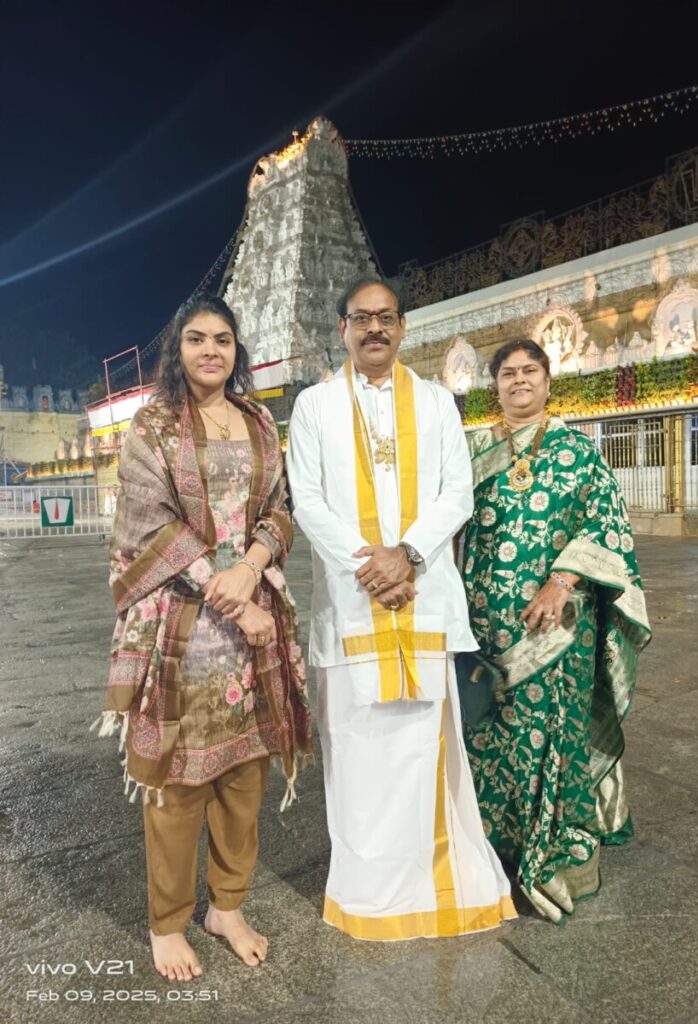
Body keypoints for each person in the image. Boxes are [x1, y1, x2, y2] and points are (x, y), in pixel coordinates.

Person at [286, 277, 515, 940]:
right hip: (354, 607)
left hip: (419, 600)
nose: (374, 329)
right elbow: (307, 501)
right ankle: (363, 890)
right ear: (343, 329)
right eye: (361, 318)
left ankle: (436, 884)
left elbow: (457, 494)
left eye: (385, 318)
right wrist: (372, 565)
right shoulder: (314, 407)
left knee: (422, 749)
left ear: (403, 327)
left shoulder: (438, 402)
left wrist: (405, 555)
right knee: (356, 752)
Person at [93, 295, 311, 978]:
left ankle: (227, 905)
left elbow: (280, 507)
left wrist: (250, 569)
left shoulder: (258, 422)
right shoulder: (151, 426)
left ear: (236, 349)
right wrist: (226, 589)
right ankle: (166, 922)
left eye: (221, 339)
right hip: (181, 626)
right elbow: (145, 524)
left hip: (251, 623)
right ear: (178, 350)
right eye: (195, 338)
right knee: (178, 784)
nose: (210, 350)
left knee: (245, 773)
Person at [462, 339, 650, 923]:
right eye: (509, 373)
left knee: (550, 733)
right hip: (485, 624)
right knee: (489, 735)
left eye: (530, 372)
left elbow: (606, 524)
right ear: (495, 385)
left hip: (557, 625)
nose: (519, 381)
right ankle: (494, 853)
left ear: (547, 381)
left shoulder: (578, 451)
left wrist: (561, 581)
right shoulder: (473, 451)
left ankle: (557, 853)